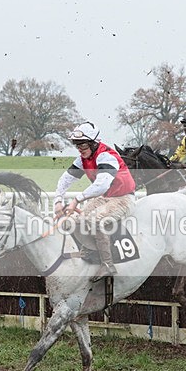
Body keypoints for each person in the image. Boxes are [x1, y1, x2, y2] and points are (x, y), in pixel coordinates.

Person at [53, 121, 136, 282]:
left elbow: (101, 184)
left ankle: (107, 264)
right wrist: (58, 200)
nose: (80, 149)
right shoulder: (83, 158)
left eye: (83, 145)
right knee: (80, 220)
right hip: (106, 197)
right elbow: (65, 179)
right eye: (77, 145)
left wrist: (76, 200)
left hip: (124, 198)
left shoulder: (106, 156)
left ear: (93, 143)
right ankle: (90, 251)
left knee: (95, 220)